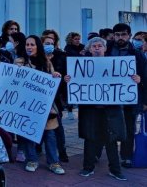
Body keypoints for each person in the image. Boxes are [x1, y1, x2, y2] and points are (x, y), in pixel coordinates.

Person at [65, 37, 141, 181]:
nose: (97, 48)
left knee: (111, 140)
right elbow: (73, 83)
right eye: (94, 46)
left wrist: (136, 79)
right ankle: (88, 167)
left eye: (100, 46)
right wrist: (69, 80)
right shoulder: (80, 66)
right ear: (90, 49)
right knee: (90, 138)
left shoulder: (116, 65)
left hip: (111, 110)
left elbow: (128, 80)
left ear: (105, 49)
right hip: (90, 110)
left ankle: (115, 169)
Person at [16, 35, 65, 174]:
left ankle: (53, 162)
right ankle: (32, 159)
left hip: (45, 106)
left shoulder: (47, 62)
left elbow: (52, 81)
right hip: (26, 105)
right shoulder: (19, 62)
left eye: (32, 44)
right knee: (29, 133)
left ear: (38, 46)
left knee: (49, 134)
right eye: (27, 45)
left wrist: (55, 75)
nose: (29, 47)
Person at [105, 23, 147, 169]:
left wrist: (140, 81)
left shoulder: (137, 54)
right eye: (117, 35)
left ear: (129, 35)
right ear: (114, 36)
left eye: (123, 34)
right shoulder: (106, 50)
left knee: (128, 128)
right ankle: (105, 154)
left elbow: (145, 77)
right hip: (108, 97)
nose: (120, 37)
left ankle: (126, 156)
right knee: (106, 126)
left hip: (130, 99)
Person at [41, 30, 70, 162]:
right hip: (40, 96)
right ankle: (37, 148)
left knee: (57, 125)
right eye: (47, 42)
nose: (50, 44)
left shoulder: (61, 56)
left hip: (56, 97)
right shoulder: (39, 57)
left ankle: (62, 151)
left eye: (52, 41)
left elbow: (66, 74)